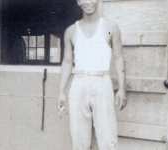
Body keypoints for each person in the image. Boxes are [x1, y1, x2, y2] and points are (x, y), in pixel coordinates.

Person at [58, 0, 127, 149]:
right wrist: (61, 92)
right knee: (78, 137)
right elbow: (67, 62)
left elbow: (119, 57)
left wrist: (122, 88)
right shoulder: (71, 31)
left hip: (102, 82)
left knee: (107, 137)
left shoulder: (110, 28)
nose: (88, 2)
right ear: (78, 1)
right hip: (79, 82)